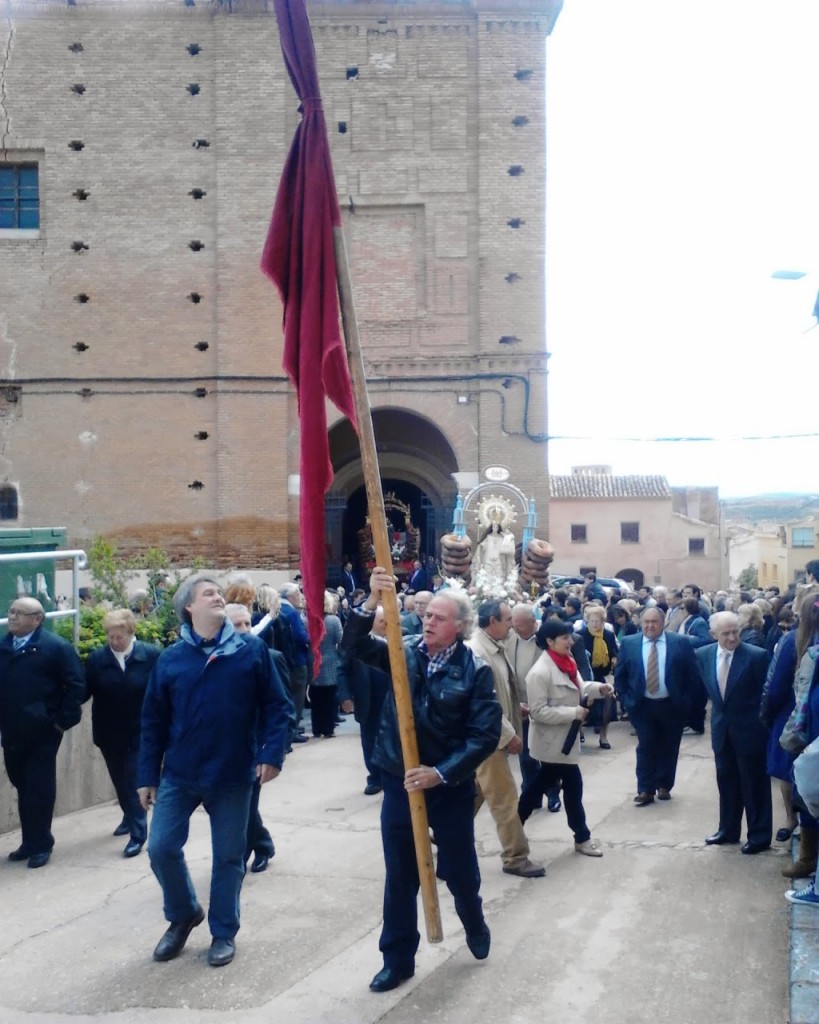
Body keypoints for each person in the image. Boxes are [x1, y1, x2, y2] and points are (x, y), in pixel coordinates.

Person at [340, 568, 502, 994]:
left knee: (460, 869)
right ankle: (397, 959)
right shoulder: (402, 651)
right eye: (427, 614)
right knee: (401, 874)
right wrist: (372, 600)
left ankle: (473, 920)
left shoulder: (476, 671)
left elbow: (483, 736)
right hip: (401, 780)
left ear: (460, 628)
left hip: (447, 787)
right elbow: (352, 645)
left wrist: (441, 772)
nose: (428, 621)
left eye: (439, 617)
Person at [137, 574, 290, 967]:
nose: (219, 596)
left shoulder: (250, 651)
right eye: (209, 593)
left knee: (228, 857)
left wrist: (271, 753)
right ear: (189, 607)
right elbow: (152, 721)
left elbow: (277, 705)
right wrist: (146, 776)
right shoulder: (171, 659)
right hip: (180, 774)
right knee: (160, 848)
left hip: (233, 773)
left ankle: (223, 933)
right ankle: (184, 913)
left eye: (220, 592)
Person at [0, 597, 84, 869]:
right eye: (10, 612)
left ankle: (41, 844)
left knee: (39, 787)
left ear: (37, 619)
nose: (12, 617)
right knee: (21, 785)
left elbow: (76, 686)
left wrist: (60, 722)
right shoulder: (3, 647)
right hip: (12, 731)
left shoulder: (55, 648)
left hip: (44, 732)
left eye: (19, 613)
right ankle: (28, 841)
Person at [518, 618, 612, 856]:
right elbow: (537, 711)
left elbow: (579, 687)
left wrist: (598, 688)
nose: (570, 641)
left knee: (540, 787)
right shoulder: (539, 673)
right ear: (549, 641)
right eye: (564, 638)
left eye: (570, 636)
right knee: (569, 788)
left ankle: (513, 826)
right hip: (552, 744)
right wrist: (573, 713)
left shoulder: (566, 662)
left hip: (566, 742)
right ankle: (581, 837)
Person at [467, 600, 545, 878]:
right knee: (505, 800)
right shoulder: (478, 651)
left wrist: (516, 707)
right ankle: (515, 857)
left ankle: (441, 834)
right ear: (492, 622)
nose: (511, 624)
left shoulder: (493, 644)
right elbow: (483, 702)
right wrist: (508, 733)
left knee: (472, 794)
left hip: (490, 733)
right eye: (508, 619)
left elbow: (500, 691)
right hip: (488, 736)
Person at [84, 609, 162, 857]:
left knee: (133, 779)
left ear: (131, 633)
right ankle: (129, 817)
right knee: (119, 778)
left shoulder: (150, 655)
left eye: (119, 637)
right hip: (109, 730)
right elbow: (84, 690)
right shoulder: (98, 658)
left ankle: (138, 834)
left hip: (141, 729)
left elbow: (165, 689)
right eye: (110, 636)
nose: (114, 642)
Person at [225, 602, 293, 874]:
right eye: (236, 625)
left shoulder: (269, 656)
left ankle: (241, 857)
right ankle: (263, 843)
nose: (244, 631)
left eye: (246, 624)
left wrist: (275, 750)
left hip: (256, 748)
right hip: (225, 748)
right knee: (238, 809)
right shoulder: (217, 657)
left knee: (245, 807)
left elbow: (284, 707)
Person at [697, 612, 772, 853]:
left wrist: (761, 725)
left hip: (751, 732)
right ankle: (728, 830)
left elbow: (766, 696)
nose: (732, 638)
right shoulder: (704, 655)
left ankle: (759, 836)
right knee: (726, 782)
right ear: (713, 635)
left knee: (754, 785)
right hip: (722, 730)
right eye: (726, 633)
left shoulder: (756, 656)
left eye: (735, 632)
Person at [614, 606, 700, 805]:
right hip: (642, 705)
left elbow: (692, 676)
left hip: (672, 705)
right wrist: (627, 701)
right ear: (641, 623)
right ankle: (645, 788)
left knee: (669, 746)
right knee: (646, 746)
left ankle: (664, 785)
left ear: (663, 624)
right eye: (646, 622)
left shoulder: (680, 643)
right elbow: (621, 676)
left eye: (655, 622)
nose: (650, 626)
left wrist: (686, 702)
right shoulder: (629, 643)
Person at [336, 605, 390, 795]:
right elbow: (342, 669)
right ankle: (375, 778)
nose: (385, 625)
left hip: (393, 700)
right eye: (381, 621)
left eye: (387, 621)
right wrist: (345, 696)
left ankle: (391, 776)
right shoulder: (359, 644)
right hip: (368, 699)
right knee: (370, 740)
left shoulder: (402, 636)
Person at [574, 604, 617, 749]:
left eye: (597, 621)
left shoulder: (608, 635)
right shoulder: (580, 635)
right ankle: (578, 732)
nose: (594, 624)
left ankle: (603, 736)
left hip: (600, 674)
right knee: (581, 703)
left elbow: (614, 653)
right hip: (583, 675)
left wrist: (613, 660)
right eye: (591, 621)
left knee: (608, 700)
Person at [278, 583, 311, 745]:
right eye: (298, 593)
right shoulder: (291, 612)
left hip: (283, 661)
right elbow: (300, 636)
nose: (300, 597)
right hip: (297, 660)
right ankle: (292, 730)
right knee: (297, 697)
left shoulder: (277, 608)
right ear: (290, 596)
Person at [310, 591, 343, 738]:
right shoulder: (333, 620)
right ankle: (328, 729)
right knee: (330, 697)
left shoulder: (307, 620)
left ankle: (317, 728)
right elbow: (341, 640)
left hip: (313, 661)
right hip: (330, 660)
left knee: (315, 697)